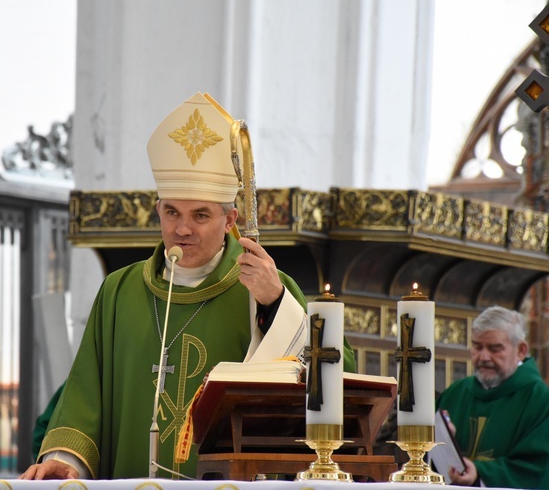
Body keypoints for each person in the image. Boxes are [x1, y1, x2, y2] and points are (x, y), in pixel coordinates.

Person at [20, 92, 356, 481]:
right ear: (158, 210)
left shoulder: (262, 289)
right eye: (171, 212)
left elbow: (337, 377)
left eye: (200, 215)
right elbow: (84, 395)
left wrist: (277, 304)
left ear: (230, 219)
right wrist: (68, 462)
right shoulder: (119, 292)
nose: (182, 229)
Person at [436, 306, 549, 489]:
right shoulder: (455, 394)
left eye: (495, 348)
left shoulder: (538, 399)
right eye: (477, 346)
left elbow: (539, 469)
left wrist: (480, 473)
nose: (483, 357)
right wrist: (441, 441)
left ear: (521, 350)